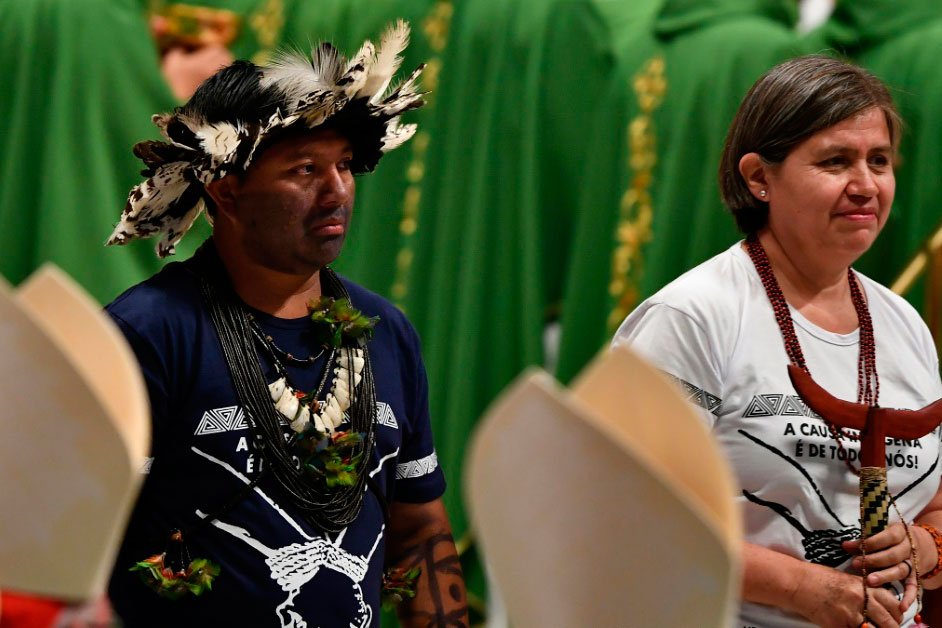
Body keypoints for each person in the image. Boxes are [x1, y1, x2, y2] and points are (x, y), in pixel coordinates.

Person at [103, 22, 468, 627]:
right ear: (226, 190)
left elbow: (420, 530)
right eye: (303, 170)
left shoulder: (387, 332)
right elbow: (83, 543)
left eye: (345, 166)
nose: (336, 192)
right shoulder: (148, 335)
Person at [614, 55, 942, 627]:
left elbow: (934, 502)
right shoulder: (691, 317)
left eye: (880, 161)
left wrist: (925, 545)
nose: (865, 185)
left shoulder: (904, 324)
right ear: (759, 178)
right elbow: (627, 515)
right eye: (835, 161)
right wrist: (801, 587)